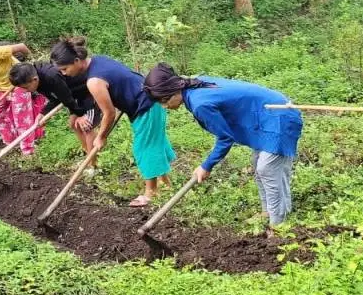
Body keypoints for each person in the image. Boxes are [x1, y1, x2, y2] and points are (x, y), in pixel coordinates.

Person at [143, 63, 303, 227]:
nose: (164, 106)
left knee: (268, 168)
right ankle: (267, 212)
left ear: (174, 91)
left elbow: (225, 138)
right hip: (265, 116)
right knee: (258, 164)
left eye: (164, 100)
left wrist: (206, 166)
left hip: (279, 116)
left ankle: (278, 225)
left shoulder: (200, 103)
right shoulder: (193, 85)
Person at [51, 37, 173, 206]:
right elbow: (122, 80)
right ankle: (166, 184)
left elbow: (109, 113)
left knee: (145, 147)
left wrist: (101, 136)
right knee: (154, 143)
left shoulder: (93, 81)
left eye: (65, 68)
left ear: (77, 61)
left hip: (146, 106)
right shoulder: (98, 60)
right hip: (149, 100)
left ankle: (151, 193)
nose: (64, 73)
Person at [9, 61, 102, 170]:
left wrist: (81, 114)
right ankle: (88, 156)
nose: (26, 91)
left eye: (26, 87)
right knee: (73, 124)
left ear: (34, 79)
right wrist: (43, 113)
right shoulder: (37, 80)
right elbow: (56, 99)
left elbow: (66, 98)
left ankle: (93, 165)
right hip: (73, 94)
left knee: (86, 127)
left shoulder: (51, 76)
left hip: (87, 91)